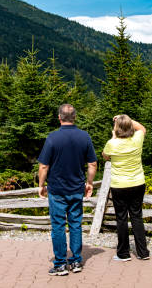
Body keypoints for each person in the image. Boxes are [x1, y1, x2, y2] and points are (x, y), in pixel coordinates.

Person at [38, 104, 97, 276]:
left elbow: (43, 166)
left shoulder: (52, 138)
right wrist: (89, 182)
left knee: (58, 226)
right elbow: (92, 164)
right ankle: (76, 261)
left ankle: (60, 264)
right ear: (75, 117)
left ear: (59, 117)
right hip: (77, 188)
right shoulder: (84, 137)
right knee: (75, 224)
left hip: (56, 189)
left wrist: (41, 185)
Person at [102, 114, 150, 261]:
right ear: (130, 127)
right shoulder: (137, 140)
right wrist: (127, 118)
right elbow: (141, 128)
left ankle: (123, 253)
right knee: (137, 216)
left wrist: (113, 137)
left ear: (116, 129)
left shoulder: (112, 143)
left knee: (121, 218)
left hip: (119, 186)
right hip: (137, 183)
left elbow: (105, 156)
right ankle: (142, 253)